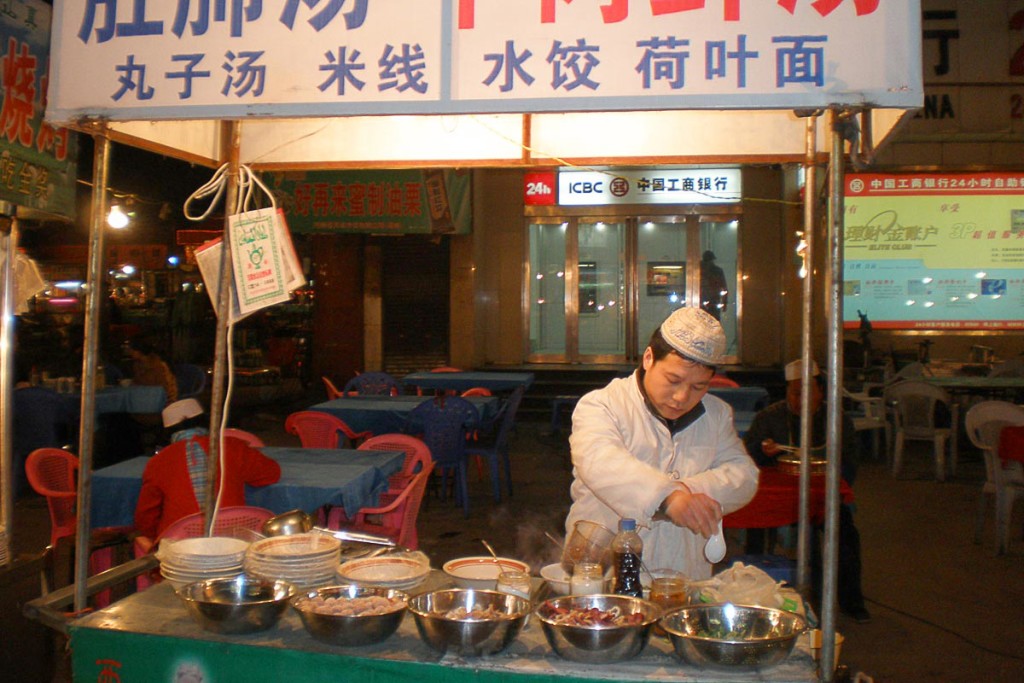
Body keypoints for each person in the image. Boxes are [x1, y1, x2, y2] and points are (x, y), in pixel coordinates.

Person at [566, 307, 759, 580]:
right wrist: (667, 498)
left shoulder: (717, 414)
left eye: (698, 387)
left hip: (683, 572)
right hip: (602, 568)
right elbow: (600, 461)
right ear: (648, 358)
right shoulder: (602, 405)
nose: (681, 397)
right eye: (673, 380)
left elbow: (744, 475)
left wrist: (687, 492)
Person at [743, 359, 871, 623]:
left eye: (809, 392)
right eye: (796, 392)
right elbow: (746, 458)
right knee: (754, 522)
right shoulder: (769, 417)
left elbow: (850, 460)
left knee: (845, 533)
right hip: (779, 494)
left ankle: (851, 600)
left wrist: (834, 487)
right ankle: (752, 592)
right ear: (787, 392)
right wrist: (763, 453)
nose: (802, 399)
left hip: (821, 493)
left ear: (821, 392)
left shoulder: (836, 419)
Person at [134, 398, 281, 540]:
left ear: (167, 432)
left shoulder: (158, 462)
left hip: (179, 550)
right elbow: (271, 474)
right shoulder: (232, 447)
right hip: (233, 542)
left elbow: (146, 517)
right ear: (206, 422)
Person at [12, 361, 75, 499]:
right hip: (51, 444)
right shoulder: (50, 394)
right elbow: (66, 419)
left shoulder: (9, 399)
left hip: (22, 448)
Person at [127, 337, 178, 403]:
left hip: (161, 401)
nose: (130, 352)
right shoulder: (137, 365)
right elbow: (136, 383)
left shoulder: (158, 365)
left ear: (139, 350)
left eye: (132, 349)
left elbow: (165, 390)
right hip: (145, 398)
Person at [699, 250, 728, 321]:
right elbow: (724, 288)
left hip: (703, 301)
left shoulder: (699, 270)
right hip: (713, 301)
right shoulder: (717, 271)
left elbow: (724, 288)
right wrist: (724, 303)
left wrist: (724, 303)